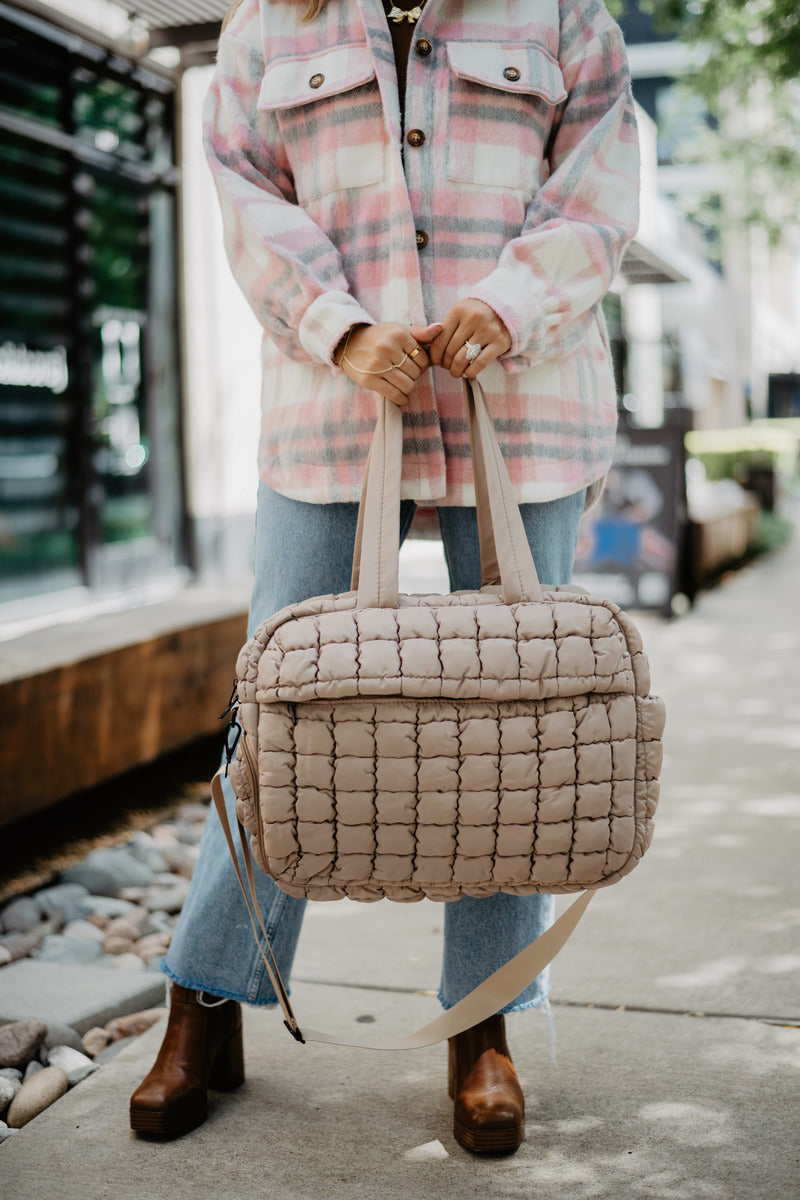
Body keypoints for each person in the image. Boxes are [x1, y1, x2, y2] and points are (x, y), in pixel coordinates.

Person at [130, 0, 639, 1155]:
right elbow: (247, 198)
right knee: (277, 715)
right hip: (330, 400)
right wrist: (338, 325)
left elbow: (597, 186)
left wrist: (507, 305)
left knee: (515, 725)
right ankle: (207, 1000)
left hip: (521, 400)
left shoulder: (563, 14)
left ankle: (484, 1022)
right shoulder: (270, 24)